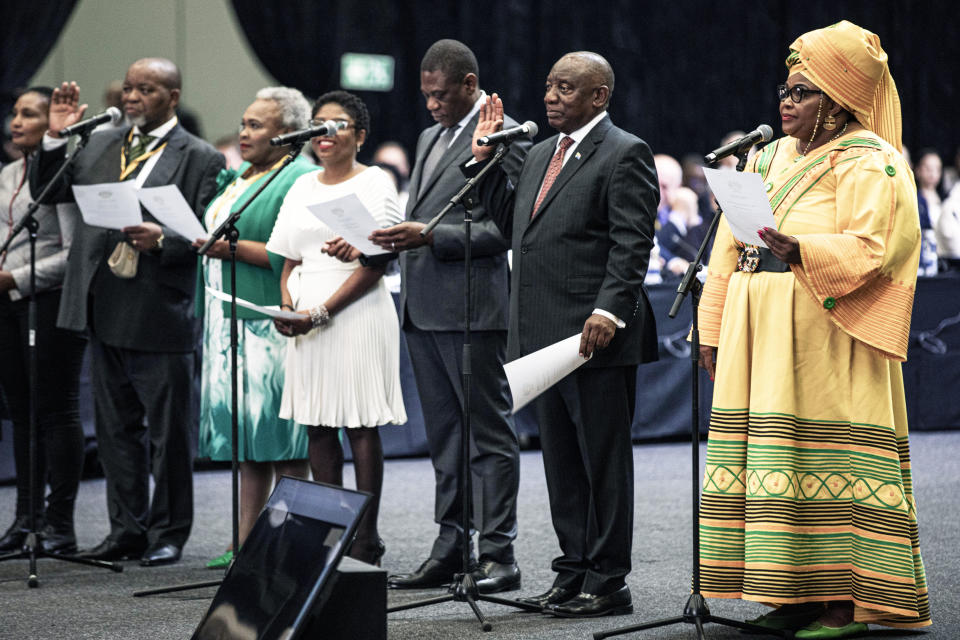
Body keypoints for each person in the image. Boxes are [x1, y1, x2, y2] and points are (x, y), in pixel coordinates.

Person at [697, 21, 930, 638]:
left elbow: (878, 245)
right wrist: (713, 324)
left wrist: (800, 249)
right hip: (758, 326)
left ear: (836, 100)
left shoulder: (871, 160)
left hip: (827, 330)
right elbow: (728, 244)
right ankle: (793, 590)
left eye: (802, 91)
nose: (787, 101)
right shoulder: (766, 154)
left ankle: (847, 601)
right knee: (778, 458)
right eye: (786, 89)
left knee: (826, 455)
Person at [468, 51, 659, 616]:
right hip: (544, 341)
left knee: (603, 464)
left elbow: (632, 244)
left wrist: (609, 311)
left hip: (594, 337)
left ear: (599, 96)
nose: (550, 96)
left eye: (566, 88)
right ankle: (571, 570)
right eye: (549, 85)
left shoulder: (625, 152)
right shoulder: (540, 154)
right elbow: (516, 230)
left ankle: (608, 581)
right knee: (563, 465)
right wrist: (486, 163)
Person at [33, 58, 224, 566]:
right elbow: (45, 193)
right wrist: (54, 139)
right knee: (116, 431)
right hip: (103, 302)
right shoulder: (99, 142)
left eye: (146, 88)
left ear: (173, 97)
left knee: (168, 436)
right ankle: (127, 528)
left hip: (159, 308)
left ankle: (168, 532)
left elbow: (211, 234)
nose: (131, 96)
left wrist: (165, 238)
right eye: (129, 87)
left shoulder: (200, 157)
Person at [368, 39, 529, 593]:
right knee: (444, 437)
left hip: (473, 309)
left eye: (440, 95)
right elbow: (427, 213)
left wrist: (429, 235)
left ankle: (498, 553)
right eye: (426, 96)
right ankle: (451, 543)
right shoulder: (429, 136)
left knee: (487, 433)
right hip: (424, 305)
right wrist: (395, 238)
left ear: (468, 84)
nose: (431, 105)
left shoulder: (503, 133)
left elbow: (507, 229)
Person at [267, 90, 406, 565]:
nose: (325, 134)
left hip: (356, 312)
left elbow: (380, 262)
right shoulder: (301, 185)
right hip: (305, 321)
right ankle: (333, 535)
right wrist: (288, 304)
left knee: (360, 425)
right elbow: (286, 258)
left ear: (360, 136)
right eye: (318, 124)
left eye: (338, 125)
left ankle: (365, 540)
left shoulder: (376, 182)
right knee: (318, 424)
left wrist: (321, 311)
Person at [191, 87, 316, 569]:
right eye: (243, 124)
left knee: (281, 437)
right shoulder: (246, 175)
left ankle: (285, 543)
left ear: (287, 134)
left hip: (268, 321)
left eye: (255, 126)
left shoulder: (299, 178)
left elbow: (295, 252)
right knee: (247, 441)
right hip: (227, 319)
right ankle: (245, 539)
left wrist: (231, 250)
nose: (243, 133)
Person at [0, 87, 87, 555]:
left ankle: (59, 524)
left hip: (51, 301)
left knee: (57, 410)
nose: (16, 122)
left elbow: (73, 255)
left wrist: (13, 276)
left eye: (28, 114)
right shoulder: (8, 172)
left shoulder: (62, 175)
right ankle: (24, 519)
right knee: (21, 410)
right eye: (15, 113)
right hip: (7, 303)